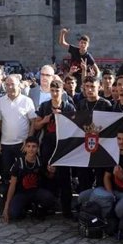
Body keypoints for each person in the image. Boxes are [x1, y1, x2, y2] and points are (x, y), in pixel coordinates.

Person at [78, 128, 123, 238]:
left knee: (119, 210)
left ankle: (106, 222)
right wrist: (110, 194)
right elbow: (106, 177)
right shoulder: (114, 155)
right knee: (82, 197)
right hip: (113, 191)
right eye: (119, 139)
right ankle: (99, 221)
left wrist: (122, 177)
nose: (121, 142)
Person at [34, 79, 76, 217]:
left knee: (65, 178)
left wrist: (63, 119)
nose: (54, 93)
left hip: (63, 145)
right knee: (47, 175)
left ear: (62, 91)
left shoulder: (68, 107)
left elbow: (75, 128)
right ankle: (47, 206)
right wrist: (44, 120)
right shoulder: (45, 106)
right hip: (48, 144)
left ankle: (66, 209)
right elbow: (36, 125)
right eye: (52, 90)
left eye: (57, 90)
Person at [0, 74, 37, 189]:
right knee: (6, 174)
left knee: (23, 173)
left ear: (19, 85)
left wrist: (28, 141)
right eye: (7, 84)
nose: (9, 87)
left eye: (12, 84)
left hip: (22, 144)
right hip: (5, 144)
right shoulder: (1, 101)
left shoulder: (27, 101)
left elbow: (33, 121)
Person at [2, 136, 57, 223]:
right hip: (21, 193)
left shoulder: (40, 161)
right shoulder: (19, 163)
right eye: (28, 146)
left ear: (38, 148)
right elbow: (12, 186)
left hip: (36, 192)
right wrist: (6, 206)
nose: (31, 149)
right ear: (25, 148)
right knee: (14, 214)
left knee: (49, 198)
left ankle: (38, 208)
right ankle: (25, 207)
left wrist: (52, 172)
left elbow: (49, 177)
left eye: (34, 146)